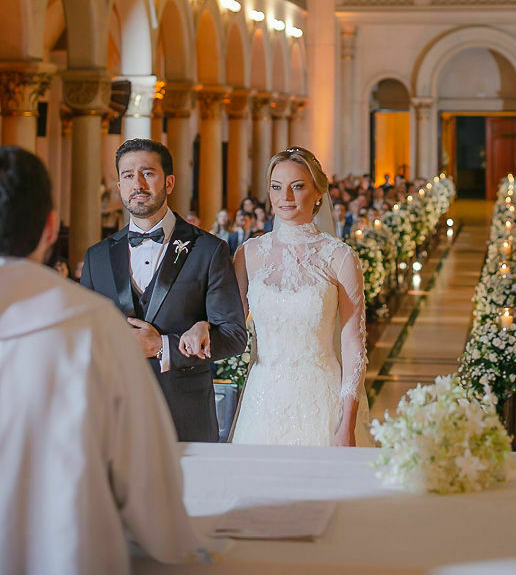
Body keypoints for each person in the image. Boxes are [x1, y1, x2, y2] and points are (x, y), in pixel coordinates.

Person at [0, 146, 198, 575]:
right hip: (69, 553)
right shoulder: (92, 326)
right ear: (51, 227)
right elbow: (148, 477)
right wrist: (171, 539)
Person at [81, 138, 246, 441]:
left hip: (184, 418)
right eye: (128, 175)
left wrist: (163, 348)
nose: (138, 183)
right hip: (115, 420)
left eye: (148, 173)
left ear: (169, 182)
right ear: (119, 186)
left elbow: (234, 337)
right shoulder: (97, 257)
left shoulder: (208, 250)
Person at [230, 146, 368, 446]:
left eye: (298, 187)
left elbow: (353, 343)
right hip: (263, 398)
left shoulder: (340, 257)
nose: (286, 197)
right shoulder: (249, 255)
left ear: (318, 191)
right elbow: (229, 325)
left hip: (321, 396)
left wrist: (348, 421)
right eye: (277, 188)